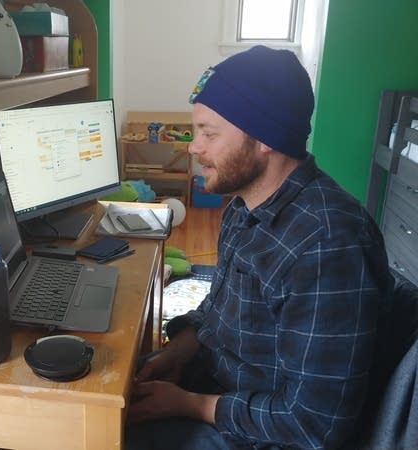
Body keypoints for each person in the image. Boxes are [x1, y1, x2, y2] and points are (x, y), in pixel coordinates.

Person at [125, 45, 394, 450]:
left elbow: (314, 425)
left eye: (209, 133)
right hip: (217, 386)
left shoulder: (326, 246)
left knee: (98, 435)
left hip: (262, 434)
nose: (193, 147)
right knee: (100, 393)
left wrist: (190, 405)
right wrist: (178, 353)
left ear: (265, 138)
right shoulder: (245, 205)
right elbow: (219, 312)